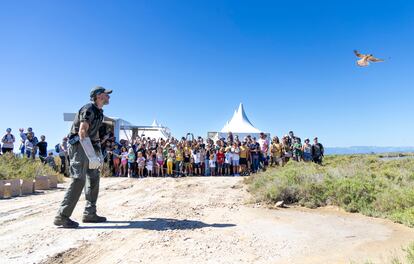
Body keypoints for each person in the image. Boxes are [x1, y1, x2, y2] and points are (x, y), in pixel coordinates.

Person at [54, 86, 112, 228]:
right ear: (99, 96)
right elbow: (82, 131)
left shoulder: (99, 112)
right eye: (106, 94)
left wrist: (97, 153)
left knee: (93, 178)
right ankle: (62, 216)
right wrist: (90, 153)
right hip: (80, 145)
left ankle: (90, 213)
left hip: (89, 145)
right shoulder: (89, 109)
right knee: (79, 179)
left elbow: (95, 133)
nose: (109, 97)